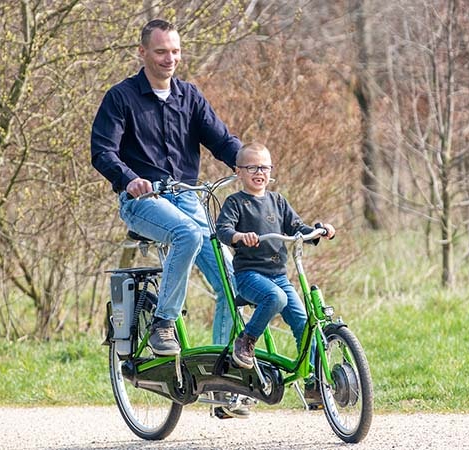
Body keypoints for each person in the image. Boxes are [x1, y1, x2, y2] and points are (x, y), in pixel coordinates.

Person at [90, 19, 241, 356]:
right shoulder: (121, 98)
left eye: (174, 51)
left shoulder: (190, 96)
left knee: (234, 284)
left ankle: (221, 377)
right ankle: (163, 323)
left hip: (188, 197)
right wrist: (130, 179)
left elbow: (222, 141)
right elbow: (102, 152)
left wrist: (248, 164)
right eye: (160, 51)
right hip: (143, 200)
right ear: (143, 52)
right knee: (187, 233)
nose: (169, 58)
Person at [216, 143, 335, 401]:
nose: (259, 172)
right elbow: (222, 230)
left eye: (265, 167)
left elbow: (296, 228)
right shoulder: (236, 202)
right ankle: (246, 341)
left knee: (304, 323)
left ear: (271, 171)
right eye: (252, 167)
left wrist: (319, 230)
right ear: (239, 172)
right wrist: (239, 236)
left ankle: (315, 382)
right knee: (276, 298)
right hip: (249, 276)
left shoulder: (278, 201)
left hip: (279, 275)